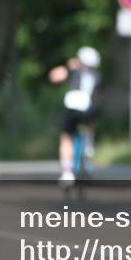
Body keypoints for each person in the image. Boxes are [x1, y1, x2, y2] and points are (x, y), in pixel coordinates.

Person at [49, 46, 102, 185]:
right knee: (89, 124)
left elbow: (55, 76)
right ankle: (89, 148)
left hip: (72, 107)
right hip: (89, 109)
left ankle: (67, 173)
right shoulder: (97, 76)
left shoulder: (74, 70)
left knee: (66, 137)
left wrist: (69, 66)